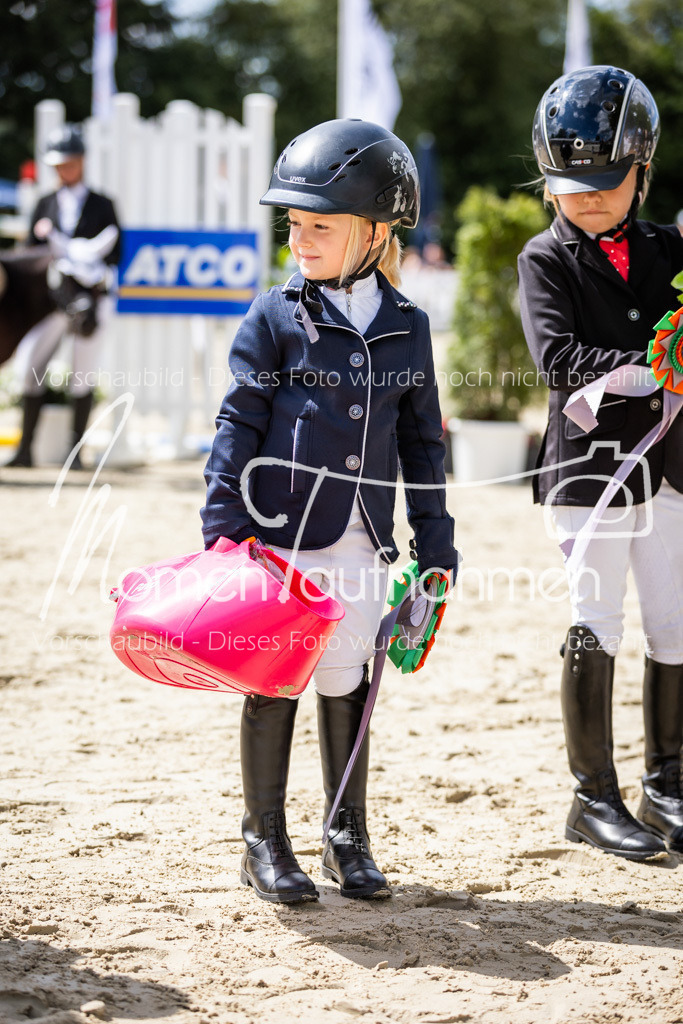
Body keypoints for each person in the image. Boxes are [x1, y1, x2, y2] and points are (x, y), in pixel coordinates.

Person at [201, 119, 458, 903]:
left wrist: (436, 539)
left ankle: (347, 830)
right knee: (275, 680)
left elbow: (422, 441)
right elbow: (237, 422)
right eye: (294, 225)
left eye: (319, 226)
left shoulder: (408, 328)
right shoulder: (274, 316)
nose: (300, 240)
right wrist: (221, 528)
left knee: (348, 676)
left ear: (376, 231)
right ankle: (264, 839)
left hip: (366, 542)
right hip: (280, 536)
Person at [518, 65, 683, 861]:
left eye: (605, 182)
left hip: (671, 470)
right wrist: (651, 365)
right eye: (567, 183)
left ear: (641, 170)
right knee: (596, 624)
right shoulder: (542, 258)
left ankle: (667, 784)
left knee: (674, 624)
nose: (584, 197)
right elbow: (557, 358)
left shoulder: (668, 248)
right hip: (588, 473)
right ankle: (592, 796)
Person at [8, 124, 120, 468]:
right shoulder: (44, 203)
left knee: (82, 374)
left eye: (69, 162)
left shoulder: (102, 205)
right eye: (59, 164)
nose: (64, 170)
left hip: (88, 300)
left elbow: (114, 254)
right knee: (30, 366)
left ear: (81, 161)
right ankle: (25, 449)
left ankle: (76, 454)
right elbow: (30, 253)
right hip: (51, 303)